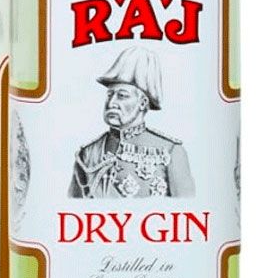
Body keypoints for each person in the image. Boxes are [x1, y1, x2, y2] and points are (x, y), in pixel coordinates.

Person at [69, 46, 195, 198]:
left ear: (142, 103)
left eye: (122, 96)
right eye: (109, 95)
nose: (112, 103)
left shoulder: (170, 150)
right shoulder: (88, 153)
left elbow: (187, 204)